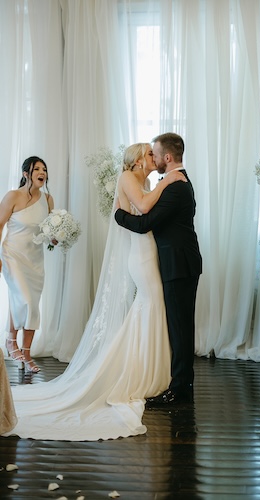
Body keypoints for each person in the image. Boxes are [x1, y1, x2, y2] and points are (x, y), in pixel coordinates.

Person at [4, 143, 185, 441]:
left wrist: (161, 183)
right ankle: (138, 370)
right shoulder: (129, 177)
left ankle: (145, 367)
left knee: (151, 305)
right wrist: (168, 181)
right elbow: (142, 207)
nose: (154, 158)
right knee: (150, 303)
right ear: (139, 159)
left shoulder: (149, 180)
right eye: (150, 154)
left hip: (148, 248)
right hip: (139, 254)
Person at [115, 132, 202, 406]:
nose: (152, 157)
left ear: (167, 157)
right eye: (148, 154)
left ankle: (180, 389)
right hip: (177, 261)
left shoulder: (174, 185)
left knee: (180, 327)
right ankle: (176, 383)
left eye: (155, 153)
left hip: (178, 264)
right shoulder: (175, 182)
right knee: (178, 325)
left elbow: (144, 224)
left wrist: (118, 215)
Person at [0, 156, 54, 373]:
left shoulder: (48, 199)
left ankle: (26, 352)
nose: (42, 172)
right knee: (26, 300)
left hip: (35, 259)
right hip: (13, 254)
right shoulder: (13, 196)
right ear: (26, 174)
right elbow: (0, 224)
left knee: (30, 303)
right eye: (37, 169)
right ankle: (12, 342)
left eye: (44, 169)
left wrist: (57, 237)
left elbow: (49, 232)